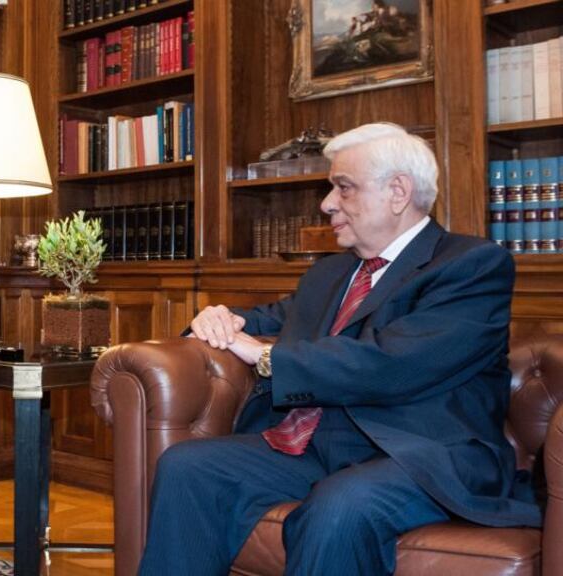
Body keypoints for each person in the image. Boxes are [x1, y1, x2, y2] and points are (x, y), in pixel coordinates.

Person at [139, 123, 541, 575]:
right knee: (188, 466)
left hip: (422, 455)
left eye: (343, 188)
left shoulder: (471, 265)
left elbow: (395, 363)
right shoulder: (329, 273)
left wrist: (266, 356)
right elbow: (271, 318)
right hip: (321, 448)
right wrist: (218, 319)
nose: (327, 203)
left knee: (340, 506)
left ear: (397, 192)